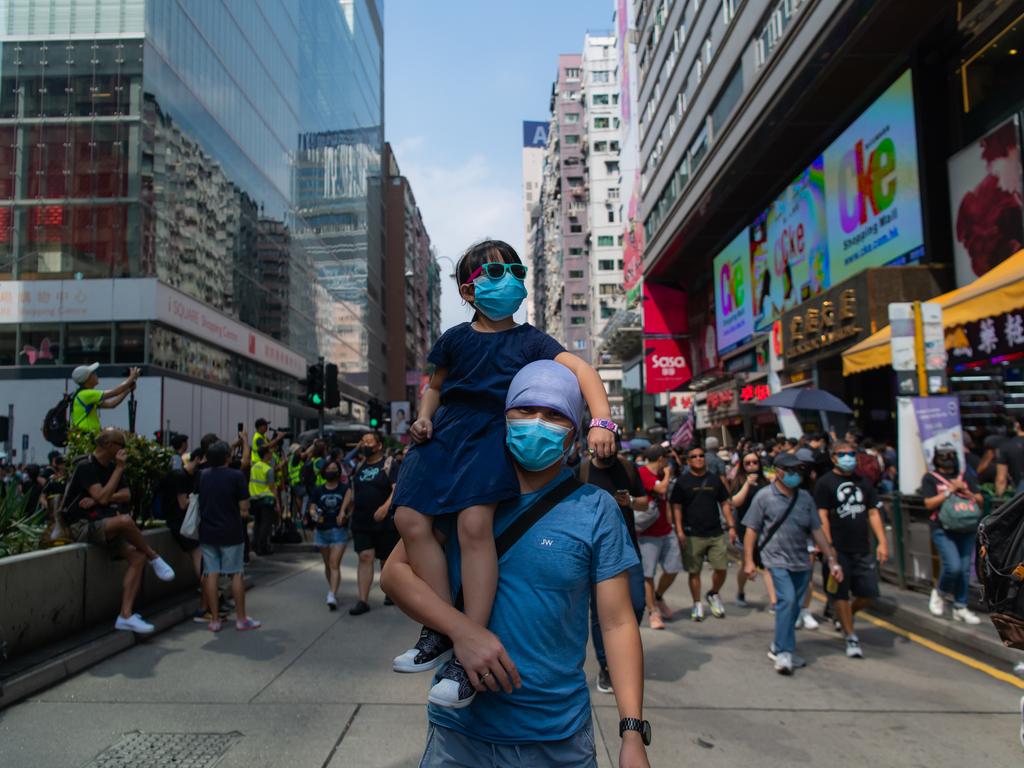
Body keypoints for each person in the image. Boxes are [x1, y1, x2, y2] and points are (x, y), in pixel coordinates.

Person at [381, 360, 650, 767]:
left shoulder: (596, 509)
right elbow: (394, 575)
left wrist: (632, 732)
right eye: (525, 410)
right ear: (503, 418)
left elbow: (617, 622)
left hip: (558, 738)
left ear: (573, 433)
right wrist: (464, 633)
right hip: (460, 736)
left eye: (555, 414)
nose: (538, 423)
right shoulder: (461, 495)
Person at [390, 239, 617, 708]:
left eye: (514, 269)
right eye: (494, 273)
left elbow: (583, 370)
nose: (508, 279)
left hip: (490, 434)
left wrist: (601, 420)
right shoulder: (452, 338)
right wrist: (423, 417)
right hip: (444, 434)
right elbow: (434, 388)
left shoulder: (532, 339)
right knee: (408, 521)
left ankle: (462, 643)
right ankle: (443, 626)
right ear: (468, 290)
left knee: (474, 524)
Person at [62, 428, 176, 633]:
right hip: (81, 525)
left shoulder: (113, 466)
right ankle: (154, 556)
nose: (124, 450)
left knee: (136, 558)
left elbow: (125, 495)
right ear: (107, 444)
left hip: (103, 523)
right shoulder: (85, 466)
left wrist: (100, 497)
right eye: (121, 445)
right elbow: (104, 497)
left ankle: (125, 615)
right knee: (125, 521)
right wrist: (113, 480)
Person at [742, 452, 844, 675]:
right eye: (790, 470)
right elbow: (751, 529)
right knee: (786, 601)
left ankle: (779, 645)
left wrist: (832, 559)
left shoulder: (805, 498)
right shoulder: (764, 496)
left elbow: (817, 529)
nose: (795, 475)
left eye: (798, 471)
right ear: (778, 471)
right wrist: (749, 561)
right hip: (775, 558)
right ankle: (784, 652)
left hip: (801, 559)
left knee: (794, 607)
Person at [575, 434, 647, 692]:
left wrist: (629, 502)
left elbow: (644, 501)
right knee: (600, 613)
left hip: (627, 548)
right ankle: (606, 667)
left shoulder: (627, 468)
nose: (607, 447)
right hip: (594, 552)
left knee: (637, 603)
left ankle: (619, 647)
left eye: (612, 442)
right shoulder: (581, 471)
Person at [813, 441, 888, 658]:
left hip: (862, 548)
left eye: (851, 454)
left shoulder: (863, 482)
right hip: (838, 549)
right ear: (834, 458)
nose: (848, 457)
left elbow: (873, 513)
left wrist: (882, 542)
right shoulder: (825, 483)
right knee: (841, 593)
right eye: (843, 454)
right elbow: (822, 515)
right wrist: (828, 548)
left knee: (869, 593)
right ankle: (850, 635)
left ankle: (844, 615)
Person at [197, 440, 260, 632]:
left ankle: (214, 619)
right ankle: (241, 618)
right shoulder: (236, 476)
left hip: (207, 531)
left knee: (211, 573)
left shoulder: (202, 475)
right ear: (227, 457)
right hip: (231, 531)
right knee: (236, 573)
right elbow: (244, 508)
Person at [669, 445, 736, 621]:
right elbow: (676, 507)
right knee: (694, 571)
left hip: (715, 532)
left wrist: (731, 526)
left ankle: (713, 593)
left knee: (721, 568)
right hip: (693, 533)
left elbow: (724, 503)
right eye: (694, 456)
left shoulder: (714, 480)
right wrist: (679, 530)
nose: (699, 458)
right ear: (688, 461)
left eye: (701, 456)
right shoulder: (682, 482)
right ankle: (697, 603)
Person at [921, 446, 983, 624]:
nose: (947, 459)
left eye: (950, 456)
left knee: (964, 570)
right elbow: (928, 504)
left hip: (966, 527)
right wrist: (949, 490)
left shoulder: (965, 476)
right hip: (942, 528)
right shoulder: (930, 478)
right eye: (943, 456)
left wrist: (965, 490)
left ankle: (960, 606)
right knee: (953, 566)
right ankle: (939, 592)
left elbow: (980, 499)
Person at [343, 430, 399, 616]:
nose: (364, 445)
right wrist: (345, 509)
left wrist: (385, 508)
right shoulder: (359, 466)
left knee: (385, 558)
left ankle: (390, 591)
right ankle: (363, 600)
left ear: (379, 445)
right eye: (363, 442)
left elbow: (396, 489)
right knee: (365, 557)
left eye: (368, 442)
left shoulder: (390, 464)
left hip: (384, 522)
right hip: (361, 520)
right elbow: (351, 489)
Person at [636, 446, 683, 629]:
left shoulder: (660, 473)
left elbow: (666, 500)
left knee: (673, 568)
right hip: (648, 532)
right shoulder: (644, 473)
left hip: (665, 529)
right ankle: (653, 611)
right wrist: (668, 474)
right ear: (661, 459)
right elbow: (662, 489)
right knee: (649, 574)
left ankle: (657, 596)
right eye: (666, 459)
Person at [730, 451, 775, 609]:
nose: (752, 466)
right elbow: (735, 502)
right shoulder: (739, 481)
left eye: (755, 462)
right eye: (747, 463)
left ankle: (774, 601)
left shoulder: (766, 480)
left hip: (766, 529)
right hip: (746, 529)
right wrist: (747, 484)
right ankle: (741, 591)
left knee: (768, 565)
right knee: (746, 564)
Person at [307, 459, 350, 610]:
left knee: (333, 563)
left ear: (339, 472)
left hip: (339, 530)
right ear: (324, 471)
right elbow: (312, 507)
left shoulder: (345, 488)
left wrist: (344, 514)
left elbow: (350, 505)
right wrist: (314, 514)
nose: (332, 471)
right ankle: (332, 589)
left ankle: (331, 594)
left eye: (334, 468)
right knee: (328, 564)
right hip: (322, 530)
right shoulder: (318, 490)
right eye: (329, 468)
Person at [69, 363, 140, 434]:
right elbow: (115, 392)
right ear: (87, 378)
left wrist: (127, 390)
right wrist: (131, 377)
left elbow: (111, 404)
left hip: (86, 437)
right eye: (93, 373)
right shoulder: (86, 394)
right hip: (86, 436)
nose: (96, 374)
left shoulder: (83, 394)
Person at [248, 443, 280, 556]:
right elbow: (272, 487)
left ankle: (255, 545)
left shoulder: (254, 466)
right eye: (270, 452)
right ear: (266, 454)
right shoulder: (268, 469)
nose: (272, 454)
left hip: (254, 499)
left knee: (258, 523)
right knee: (266, 524)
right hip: (266, 499)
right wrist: (277, 503)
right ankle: (262, 548)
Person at [995, 416, 1024, 496]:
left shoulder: (1006, 447)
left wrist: (999, 497)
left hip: (1020, 498)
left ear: (1017, 425)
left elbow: (1001, 479)